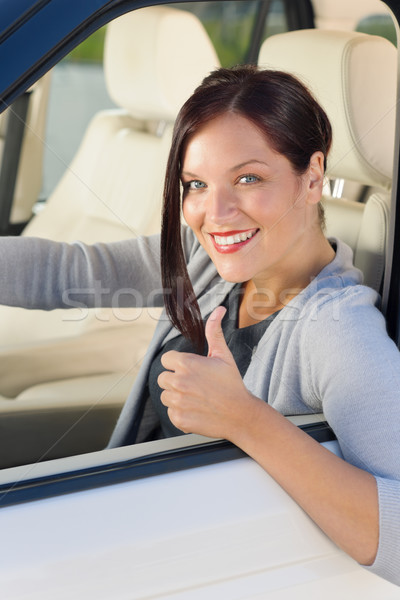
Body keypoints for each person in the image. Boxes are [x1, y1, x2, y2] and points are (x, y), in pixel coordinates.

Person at [0, 66, 399, 586]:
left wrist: (245, 419)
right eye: (196, 185)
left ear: (313, 176)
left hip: (183, 566)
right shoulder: (204, 258)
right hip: (115, 536)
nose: (216, 213)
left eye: (248, 178)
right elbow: (70, 271)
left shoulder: (338, 330)